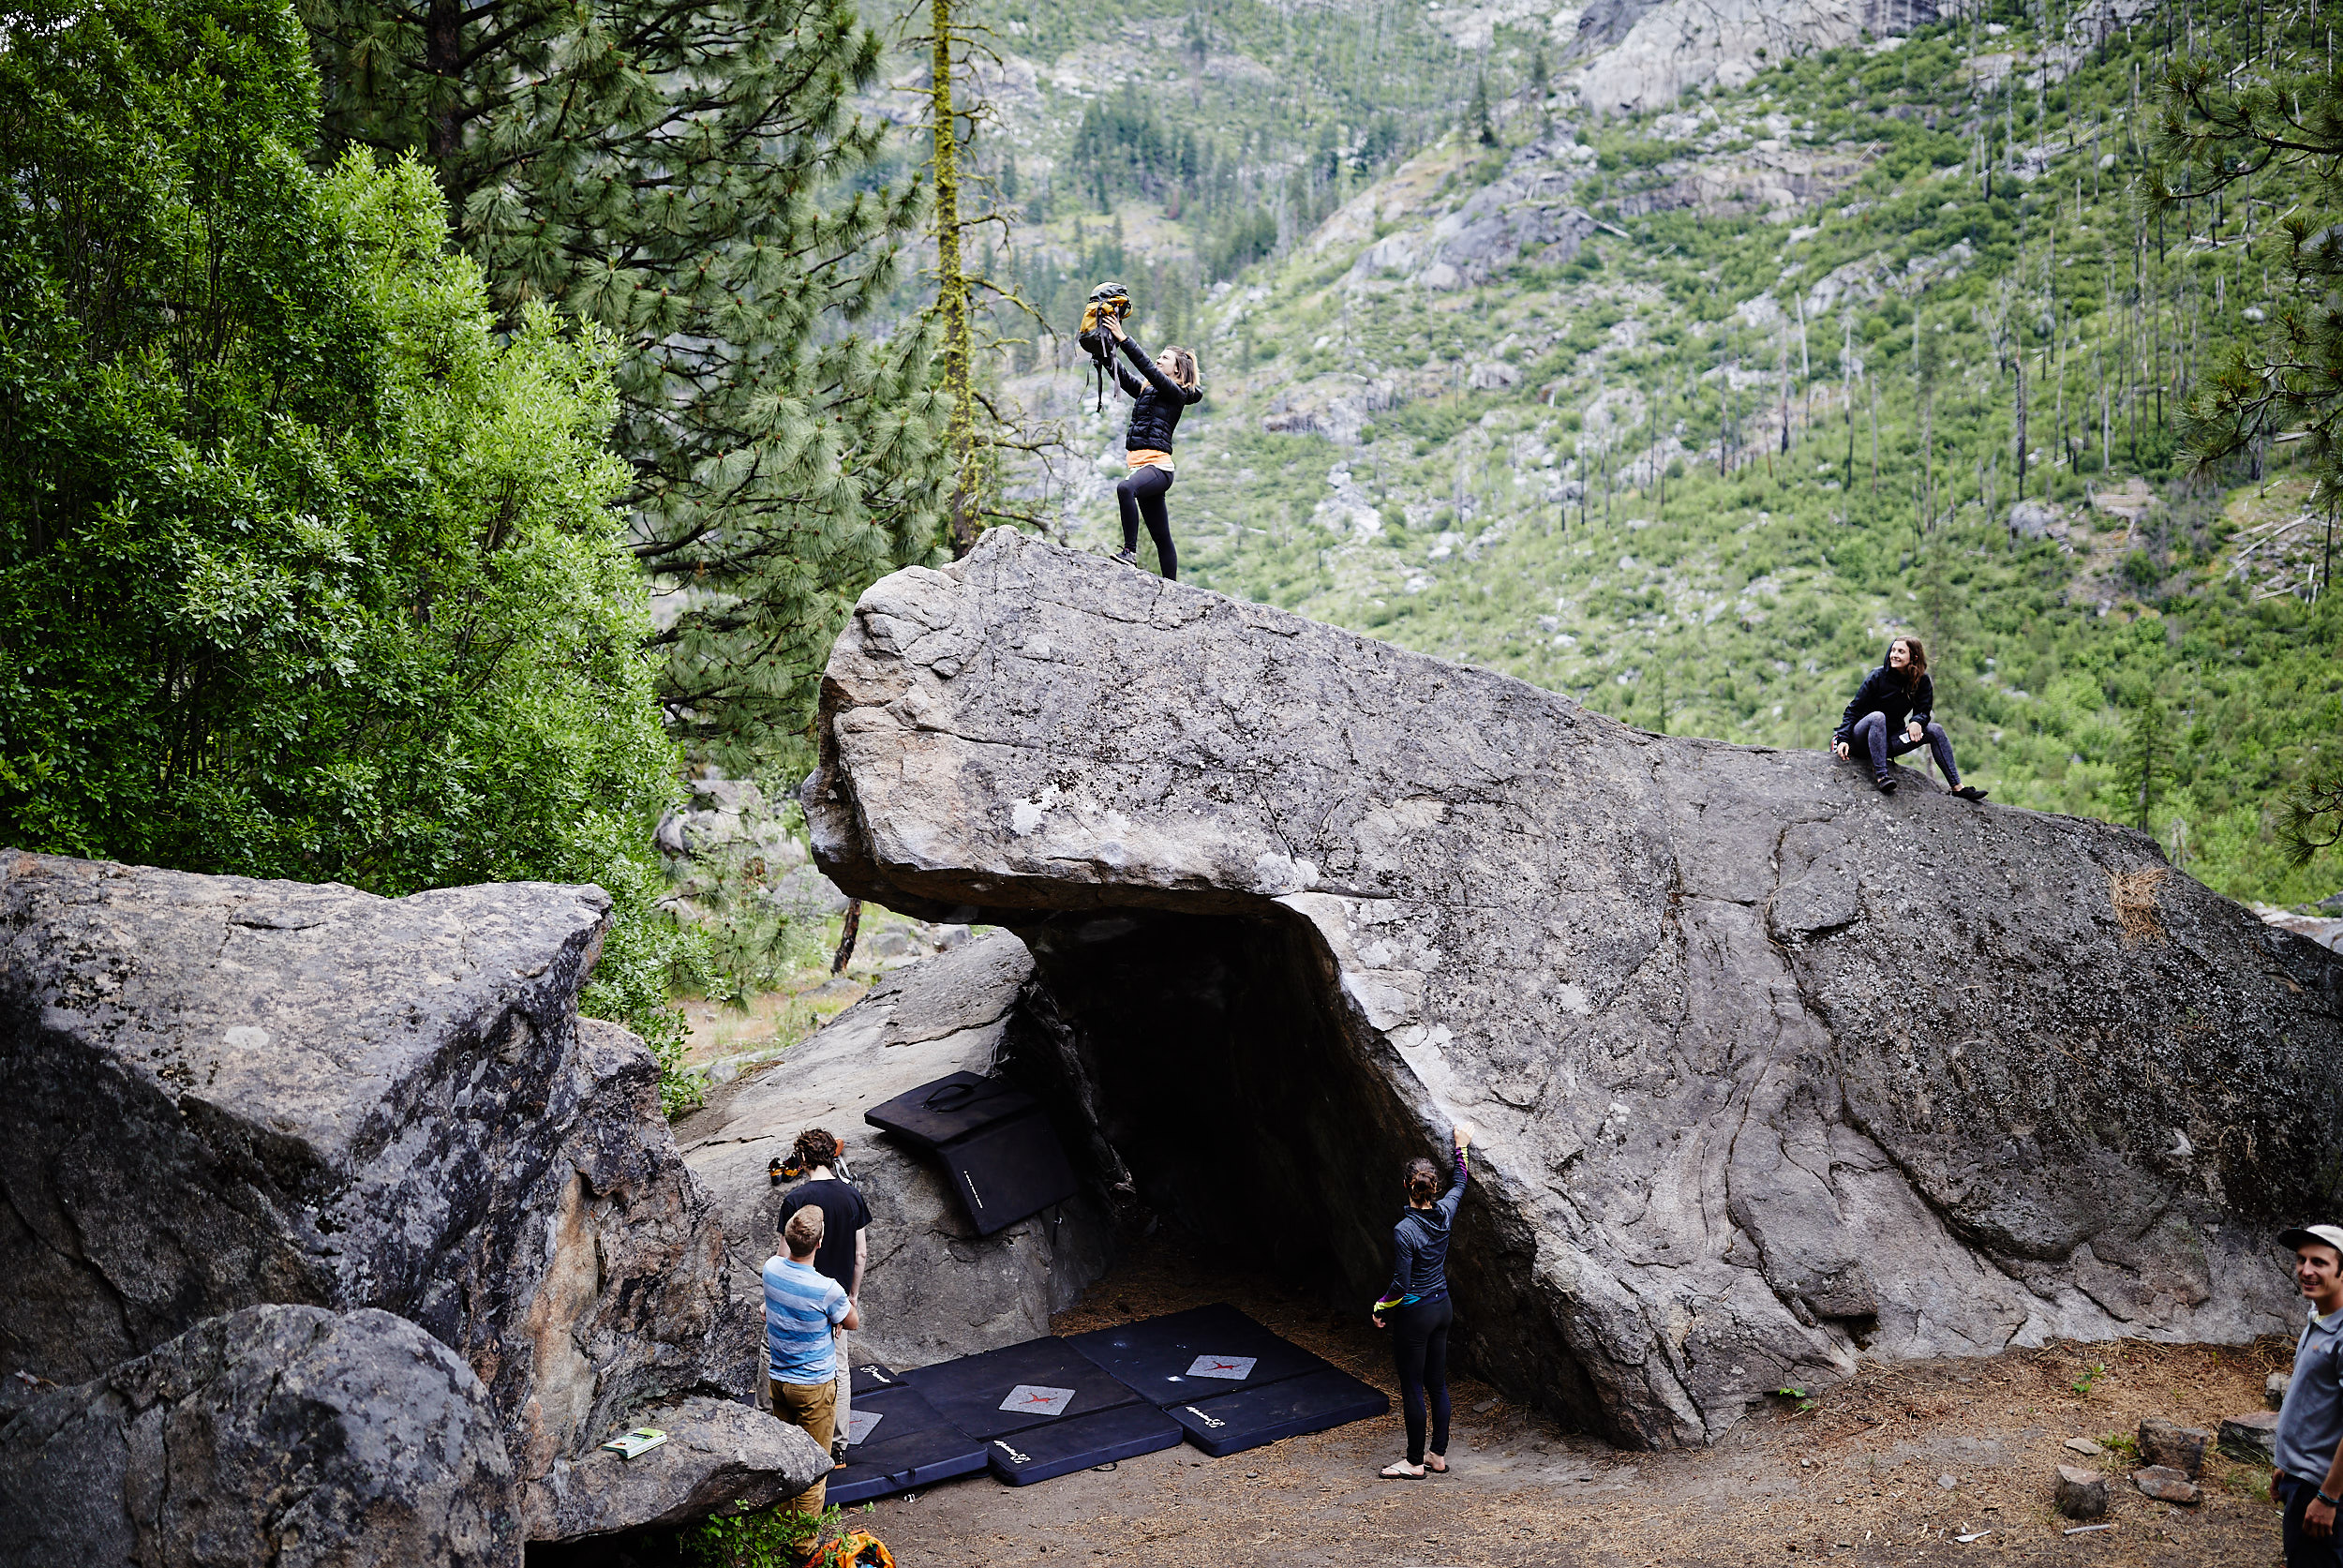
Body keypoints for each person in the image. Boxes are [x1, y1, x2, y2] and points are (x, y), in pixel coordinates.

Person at [1371, 1122, 1472, 1480]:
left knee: (1413, 1385)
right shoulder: (1445, 1212)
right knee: (1437, 1383)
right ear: (1434, 1189)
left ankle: (1414, 1462)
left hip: (1416, 1313)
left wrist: (1381, 1306)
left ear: (1406, 1187)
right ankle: (1437, 1455)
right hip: (1443, 1305)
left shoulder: (1405, 1231)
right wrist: (1461, 1147)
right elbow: (1461, 1182)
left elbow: (1401, 1283)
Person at [779, 1127, 870, 1459]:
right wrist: (852, 1296)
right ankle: (838, 1447)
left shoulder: (795, 1200)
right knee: (838, 1372)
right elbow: (860, 1254)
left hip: (798, 1301)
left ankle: (790, 1442)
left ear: (802, 1159)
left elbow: (783, 1257)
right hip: (834, 1301)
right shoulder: (852, 1196)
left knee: (790, 1368)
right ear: (833, 1155)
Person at [765, 1205, 859, 1514]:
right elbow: (853, 1320)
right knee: (815, 1472)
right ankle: (803, 1550)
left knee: (786, 1464)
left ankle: (780, 1536)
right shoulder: (827, 1289)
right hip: (814, 1388)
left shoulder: (771, 1269)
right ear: (819, 1243)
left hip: (779, 1381)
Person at [1101, 312, 1202, 581]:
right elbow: (1124, 377)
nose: (1158, 360)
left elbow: (1146, 368)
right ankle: (1173, 588)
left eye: (1164, 358)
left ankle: (1129, 553)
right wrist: (1104, 353)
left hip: (1158, 467)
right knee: (1161, 536)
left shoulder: (1175, 393)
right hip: (1141, 466)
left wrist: (1123, 339)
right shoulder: (1150, 390)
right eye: (1159, 356)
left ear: (1177, 370)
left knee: (1125, 488)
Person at [1831, 635, 1987, 800]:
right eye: (1893, 650)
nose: (1894, 655)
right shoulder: (1877, 676)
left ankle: (1958, 788)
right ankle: (1882, 776)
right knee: (1878, 717)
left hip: (1888, 742)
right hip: (1860, 741)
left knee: (1935, 730)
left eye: (1900, 651)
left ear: (1914, 657)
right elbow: (1852, 711)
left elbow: (1924, 710)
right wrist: (1843, 739)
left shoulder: (1921, 680)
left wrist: (1917, 721)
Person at [2274, 1223, 2343, 1565]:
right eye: (2302, 1260)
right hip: (2302, 1480)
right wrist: (2287, 1464)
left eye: (2319, 1262)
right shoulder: (2319, 1317)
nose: (2306, 1270)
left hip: (2325, 1490)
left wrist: (2329, 1498)